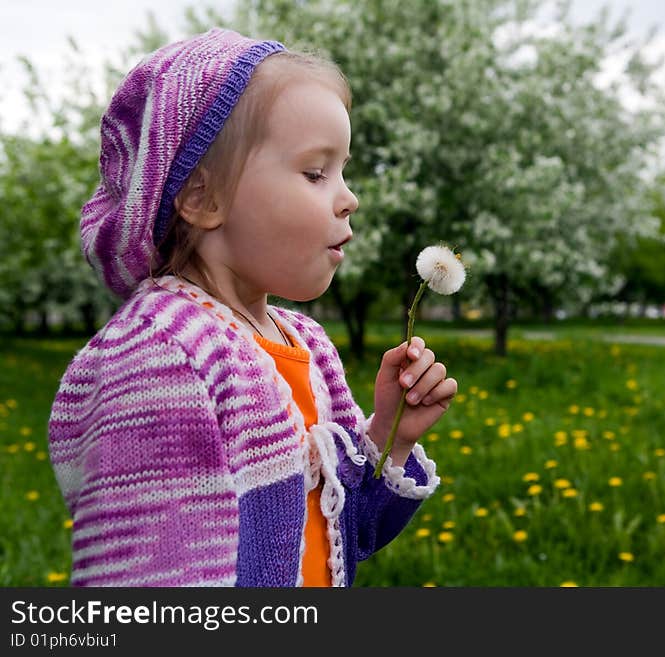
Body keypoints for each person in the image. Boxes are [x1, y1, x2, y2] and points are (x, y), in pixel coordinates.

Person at [48, 28, 456, 587]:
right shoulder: (161, 358)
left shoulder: (306, 345)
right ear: (202, 198)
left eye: (343, 171)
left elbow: (346, 535)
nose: (349, 196)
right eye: (316, 172)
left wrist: (390, 433)